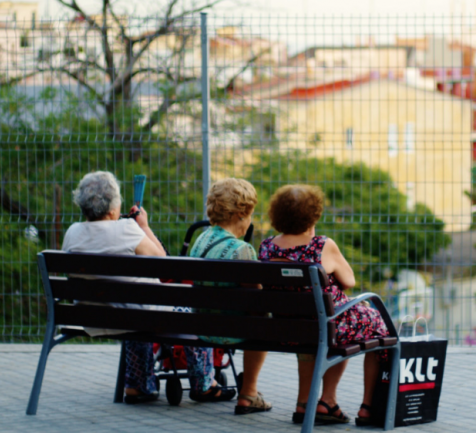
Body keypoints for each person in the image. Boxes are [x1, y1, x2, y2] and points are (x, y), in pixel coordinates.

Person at [62, 171, 235, 405]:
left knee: (136, 312)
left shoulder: (72, 233)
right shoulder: (126, 229)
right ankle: (204, 384)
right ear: (113, 208)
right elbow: (163, 263)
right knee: (191, 310)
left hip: (92, 317)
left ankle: (138, 385)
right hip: (139, 316)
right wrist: (143, 225)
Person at [258, 184, 389, 426]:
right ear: (314, 214)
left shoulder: (267, 247)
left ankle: (320, 403)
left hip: (286, 330)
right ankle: (364, 407)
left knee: (337, 321)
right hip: (322, 327)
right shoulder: (321, 245)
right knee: (375, 323)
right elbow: (349, 281)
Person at [187, 177, 272, 415]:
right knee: (262, 321)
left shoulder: (200, 240)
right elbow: (257, 303)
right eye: (252, 213)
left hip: (203, 327)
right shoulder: (243, 250)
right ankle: (249, 393)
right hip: (231, 332)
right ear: (241, 213)